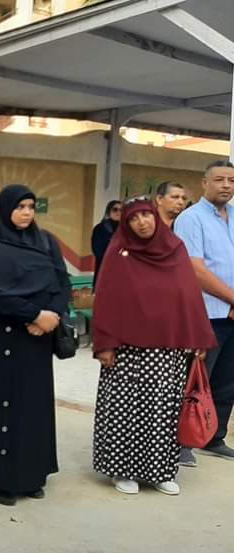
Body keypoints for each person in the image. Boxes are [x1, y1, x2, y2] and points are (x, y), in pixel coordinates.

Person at [91, 200, 215, 496]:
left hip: (167, 349)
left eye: (146, 215)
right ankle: (123, 470)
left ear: (155, 216)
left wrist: (198, 337)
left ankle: (160, 471)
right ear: (126, 223)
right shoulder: (119, 251)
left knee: (163, 409)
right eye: (134, 218)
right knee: (126, 409)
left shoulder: (175, 249)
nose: (142, 222)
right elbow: (106, 298)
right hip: (127, 350)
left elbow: (189, 296)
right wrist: (105, 343)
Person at [0, 185, 71, 506]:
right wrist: (33, 314)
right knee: (2, 406)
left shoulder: (45, 241)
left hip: (36, 340)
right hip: (1, 337)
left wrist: (51, 316)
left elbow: (61, 283)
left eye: (31, 207)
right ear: (5, 208)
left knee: (32, 407)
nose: (26, 213)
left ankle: (31, 476)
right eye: (20, 206)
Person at [174, 160, 234, 461]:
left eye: (231, 181)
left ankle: (213, 436)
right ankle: (182, 443)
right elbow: (195, 270)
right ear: (204, 182)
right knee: (196, 379)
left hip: (231, 313)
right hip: (206, 314)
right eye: (219, 179)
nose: (226, 185)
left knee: (227, 380)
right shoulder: (191, 218)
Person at [91, 199, 122, 283]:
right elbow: (97, 251)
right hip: (104, 269)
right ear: (108, 211)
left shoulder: (125, 229)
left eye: (121, 210)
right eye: (115, 209)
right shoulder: (100, 228)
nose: (118, 212)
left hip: (122, 271)